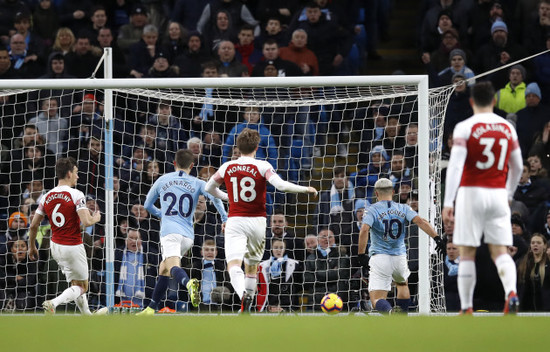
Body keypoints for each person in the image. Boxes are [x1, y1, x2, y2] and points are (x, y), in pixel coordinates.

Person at [205, 128, 317, 312]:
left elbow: (209, 188)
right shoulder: (262, 165)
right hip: (258, 222)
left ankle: (244, 296)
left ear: (238, 148)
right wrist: (305, 189)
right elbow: (281, 185)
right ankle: (246, 308)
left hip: (235, 220)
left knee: (233, 265)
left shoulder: (227, 167)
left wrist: (228, 198)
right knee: (251, 268)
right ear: (257, 147)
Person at [442, 81, 523, 315]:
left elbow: (456, 166)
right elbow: (517, 166)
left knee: (467, 252)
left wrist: (449, 201)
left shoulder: (465, 127)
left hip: (471, 192)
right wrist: (508, 192)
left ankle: (466, 307)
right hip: (498, 194)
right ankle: (511, 293)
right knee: (500, 251)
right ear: (494, 101)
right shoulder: (507, 127)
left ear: (471, 102)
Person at [136, 149, 228, 316]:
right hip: (188, 235)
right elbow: (215, 197)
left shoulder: (163, 180)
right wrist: (224, 217)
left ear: (174, 163)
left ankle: (188, 283)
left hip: (170, 232)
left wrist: (161, 214)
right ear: (192, 166)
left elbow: (147, 205)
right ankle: (151, 308)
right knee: (164, 268)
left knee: (172, 267)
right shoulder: (198, 182)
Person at [358, 178, 445, 314]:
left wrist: (361, 254)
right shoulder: (404, 208)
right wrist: (437, 238)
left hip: (380, 257)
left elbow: (364, 230)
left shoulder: (372, 210)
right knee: (402, 284)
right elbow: (421, 222)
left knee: (376, 299)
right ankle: (402, 317)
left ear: (376, 193)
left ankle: (392, 313)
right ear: (393, 192)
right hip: (399, 257)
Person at [27, 157, 101, 315]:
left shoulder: (47, 196)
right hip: (72, 245)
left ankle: (87, 315)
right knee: (82, 287)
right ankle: (53, 303)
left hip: (55, 246)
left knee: (76, 283)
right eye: (76, 172)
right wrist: (96, 218)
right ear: (69, 173)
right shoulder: (76, 194)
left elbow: (33, 225)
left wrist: (32, 246)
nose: (78, 176)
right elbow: (86, 222)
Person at [516, 233, 550, 311]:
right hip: (526, 307)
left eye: (538, 243)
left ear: (545, 246)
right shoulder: (522, 263)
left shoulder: (548, 262)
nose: (535, 245)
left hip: (546, 307)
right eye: (533, 243)